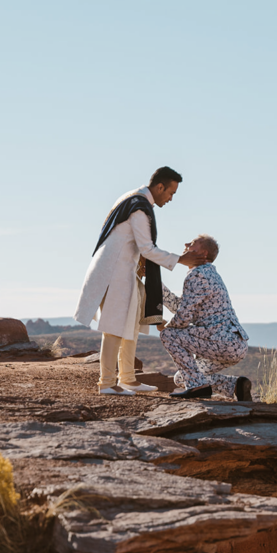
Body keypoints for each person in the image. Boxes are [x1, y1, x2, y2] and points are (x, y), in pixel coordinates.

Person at [74, 167, 207, 394]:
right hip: (115, 271)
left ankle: (128, 378)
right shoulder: (139, 208)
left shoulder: (133, 200)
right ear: (159, 187)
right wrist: (181, 259)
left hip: (127, 271)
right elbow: (147, 248)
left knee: (133, 323)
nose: (171, 198)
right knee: (115, 326)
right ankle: (106, 383)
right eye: (171, 193)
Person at [159, 234, 252, 401]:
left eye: (193, 243)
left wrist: (167, 327)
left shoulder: (198, 275)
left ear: (203, 253)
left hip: (221, 341)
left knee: (168, 335)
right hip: (234, 345)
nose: (186, 243)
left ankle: (196, 388)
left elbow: (183, 317)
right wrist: (154, 283)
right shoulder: (208, 273)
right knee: (181, 378)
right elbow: (181, 307)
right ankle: (235, 386)